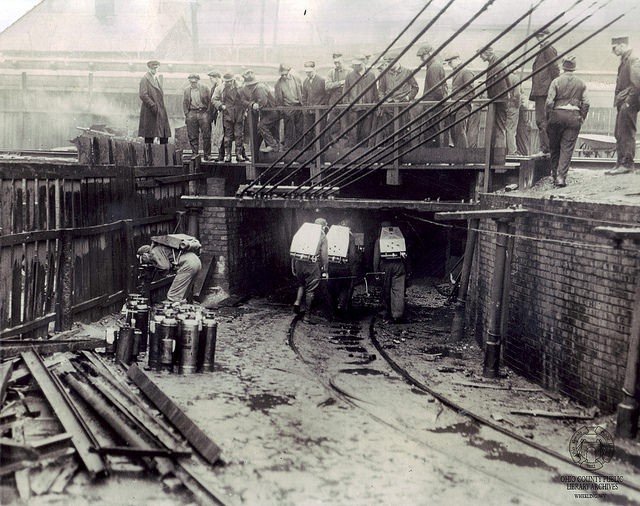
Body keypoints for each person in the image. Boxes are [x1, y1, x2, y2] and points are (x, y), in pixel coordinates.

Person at [545, 56, 590, 187]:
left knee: (554, 147)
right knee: (567, 149)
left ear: (563, 67)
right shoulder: (581, 83)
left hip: (557, 116)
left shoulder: (556, 81)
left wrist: (549, 117)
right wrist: (582, 117)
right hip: (573, 117)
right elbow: (587, 102)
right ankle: (561, 178)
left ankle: (554, 175)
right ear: (574, 68)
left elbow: (549, 102)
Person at [606, 36, 640, 175]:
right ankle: (620, 164)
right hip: (624, 101)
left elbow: (637, 83)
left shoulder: (633, 59)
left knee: (626, 132)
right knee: (619, 133)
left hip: (628, 102)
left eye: (615, 48)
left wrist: (628, 102)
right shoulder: (626, 59)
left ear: (622, 45)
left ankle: (627, 165)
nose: (614, 52)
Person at [137, 239, 202, 303]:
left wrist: (158, 270)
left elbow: (165, 267)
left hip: (188, 264)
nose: (143, 261)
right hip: (196, 261)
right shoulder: (160, 248)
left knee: (173, 296)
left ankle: (172, 312)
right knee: (184, 294)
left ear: (145, 254)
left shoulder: (154, 252)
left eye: (142, 259)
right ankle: (184, 311)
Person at [291, 218, 330, 324]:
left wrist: (293, 265)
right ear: (323, 226)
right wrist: (325, 270)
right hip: (312, 264)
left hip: (298, 262)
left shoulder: (303, 231)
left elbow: (295, 247)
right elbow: (324, 255)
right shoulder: (322, 235)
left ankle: (297, 302)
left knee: (301, 284)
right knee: (310, 290)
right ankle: (307, 317)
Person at [528, 28, 560, 157]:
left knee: (542, 121)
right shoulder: (544, 49)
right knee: (542, 121)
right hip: (541, 90)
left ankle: (546, 149)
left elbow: (554, 69)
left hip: (544, 91)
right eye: (537, 37)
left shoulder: (548, 49)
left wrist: (554, 89)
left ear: (548, 35)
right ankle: (546, 149)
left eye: (541, 36)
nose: (539, 39)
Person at [377, 56, 419, 146]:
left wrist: (408, 97)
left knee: (404, 131)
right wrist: (383, 100)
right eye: (389, 62)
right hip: (389, 108)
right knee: (389, 132)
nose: (390, 65)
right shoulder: (385, 74)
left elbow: (415, 87)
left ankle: (405, 155)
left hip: (403, 107)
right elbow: (381, 90)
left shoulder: (407, 72)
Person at [373, 222, 409, 323]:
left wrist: (376, 273)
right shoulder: (399, 238)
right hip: (399, 265)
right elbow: (405, 256)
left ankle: (386, 312)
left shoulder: (379, 240)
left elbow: (376, 258)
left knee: (386, 289)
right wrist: (407, 269)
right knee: (398, 290)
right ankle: (397, 314)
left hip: (386, 265)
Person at [479, 46, 510, 152]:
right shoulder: (495, 63)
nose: (480, 57)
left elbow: (502, 84)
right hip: (497, 99)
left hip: (499, 100)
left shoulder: (497, 64)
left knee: (500, 127)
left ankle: (499, 154)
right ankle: (496, 153)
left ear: (486, 53)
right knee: (497, 127)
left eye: (481, 54)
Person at [242, 69, 281, 153]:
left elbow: (262, 103)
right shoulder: (257, 87)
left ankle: (273, 146)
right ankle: (270, 149)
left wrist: (256, 105)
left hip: (271, 112)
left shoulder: (259, 88)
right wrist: (253, 104)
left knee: (261, 126)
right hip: (269, 112)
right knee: (267, 129)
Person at [416, 44, 448, 147]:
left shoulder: (433, 67)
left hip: (432, 105)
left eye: (423, 56)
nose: (421, 59)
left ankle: (432, 157)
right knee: (433, 130)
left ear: (430, 54)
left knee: (431, 131)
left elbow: (436, 89)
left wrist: (437, 102)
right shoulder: (435, 65)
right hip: (434, 104)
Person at [327, 219, 359, 319]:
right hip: (344, 267)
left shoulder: (331, 234)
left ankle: (333, 310)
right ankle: (341, 306)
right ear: (349, 227)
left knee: (332, 288)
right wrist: (351, 265)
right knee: (344, 287)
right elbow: (353, 255)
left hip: (331, 265)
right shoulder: (350, 236)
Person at [343, 57, 379, 147]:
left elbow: (375, 91)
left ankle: (364, 155)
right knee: (353, 134)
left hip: (368, 109)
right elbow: (345, 92)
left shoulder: (371, 75)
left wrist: (375, 104)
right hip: (354, 109)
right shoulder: (349, 76)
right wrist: (348, 104)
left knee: (366, 132)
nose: (356, 66)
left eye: (358, 64)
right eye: (355, 65)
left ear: (363, 63)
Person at [212, 72, 246, 162]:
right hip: (227, 115)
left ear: (233, 80)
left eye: (230, 81)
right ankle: (228, 155)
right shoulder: (220, 88)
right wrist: (221, 106)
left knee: (239, 135)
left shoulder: (240, 88)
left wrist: (245, 110)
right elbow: (214, 99)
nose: (228, 83)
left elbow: (246, 99)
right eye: (226, 81)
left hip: (239, 114)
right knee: (227, 136)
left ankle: (239, 154)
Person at [444, 52, 475, 148]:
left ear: (458, 59)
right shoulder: (458, 72)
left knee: (460, 131)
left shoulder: (465, 72)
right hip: (456, 106)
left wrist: (459, 100)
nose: (449, 64)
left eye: (451, 62)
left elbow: (470, 92)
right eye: (448, 63)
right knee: (455, 131)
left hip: (463, 106)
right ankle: (458, 156)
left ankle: (464, 157)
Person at [138, 60, 171, 144]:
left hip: (159, 109)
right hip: (150, 111)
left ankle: (164, 154)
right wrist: (152, 105)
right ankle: (149, 155)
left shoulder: (156, 79)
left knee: (164, 133)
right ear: (149, 68)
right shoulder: (145, 79)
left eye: (156, 68)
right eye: (153, 68)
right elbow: (143, 94)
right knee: (149, 136)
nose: (155, 70)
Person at [274, 64, 304, 150]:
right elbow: (278, 100)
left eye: (285, 74)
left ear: (288, 72)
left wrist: (302, 104)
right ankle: (288, 150)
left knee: (300, 129)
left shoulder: (296, 79)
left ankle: (299, 149)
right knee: (289, 130)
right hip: (288, 108)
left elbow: (301, 92)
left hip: (298, 106)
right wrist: (283, 111)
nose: (284, 76)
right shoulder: (278, 84)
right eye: (282, 74)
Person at [182, 74, 211, 159]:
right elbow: (184, 103)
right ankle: (195, 153)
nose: (193, 83)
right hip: (192, 112)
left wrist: (208, 112)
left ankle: (207, 154)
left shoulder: (205, 88)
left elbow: (210, 101)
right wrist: (187, 114)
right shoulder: (187, 90)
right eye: (191, 82)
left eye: (195, 82)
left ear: (198, 80)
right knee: (192, 134)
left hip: (203, 112)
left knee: (206, 134)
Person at [301, 60, 328, 149]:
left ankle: (321, 155)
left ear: (314, 69)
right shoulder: (305, 82)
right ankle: (308, 155)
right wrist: (305, 108)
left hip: (320, 112)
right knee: (308, 132)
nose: (308, 74)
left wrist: (324, 108)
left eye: (310, 72)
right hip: (309, 113)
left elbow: (327, 95)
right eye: (307, 72)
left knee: (320, 133)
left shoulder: (321, 80)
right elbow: (304, 96)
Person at [325, 53, 349, 144]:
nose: (337, 65)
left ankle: (344, 147)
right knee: (333, 124)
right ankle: (334, 146)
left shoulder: (349, 72)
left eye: (339, 62)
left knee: (345, 124)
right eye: (335, 63)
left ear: (343, 61)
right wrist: (340, 83)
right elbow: (327, 86)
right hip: (334, 101)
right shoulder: (331, 72)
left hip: (345, 101)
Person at [207, 70, 224, 161]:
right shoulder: (213, 88)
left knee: (227, 134)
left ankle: (225, 155)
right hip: (217, 114)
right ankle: (221, 154)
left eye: (211, 78)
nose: (210, 80)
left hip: (224, 113)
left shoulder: (224, 86)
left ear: (217, 78)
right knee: (219, 134)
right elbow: (212, 102)